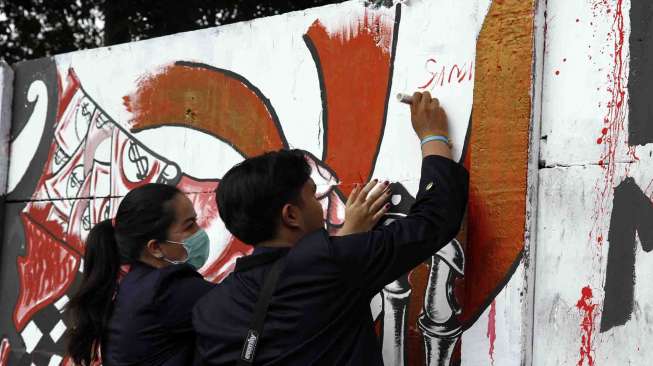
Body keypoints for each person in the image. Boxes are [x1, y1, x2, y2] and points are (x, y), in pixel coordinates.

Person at [193, 91, 469, 365]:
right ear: (291, 215)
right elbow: (433, 222)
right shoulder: (329, 265)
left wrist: (348, 238)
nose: (320, 203)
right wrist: (433, 136)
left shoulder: (211, 310)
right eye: (313, 195)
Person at [65, 183, 214, 365]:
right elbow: (242, 304)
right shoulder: (165, 289)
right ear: (155, 247)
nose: (199, 232)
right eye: (189, 226)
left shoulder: (136, 285)